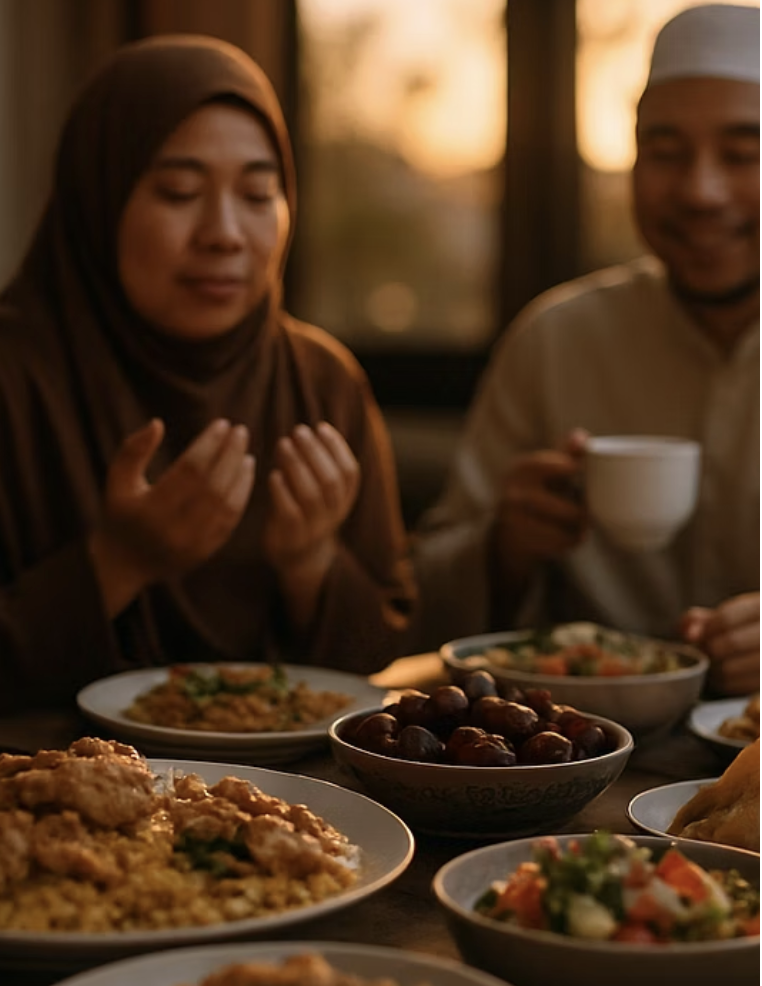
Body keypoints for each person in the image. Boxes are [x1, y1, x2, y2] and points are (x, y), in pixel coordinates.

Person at [0, 35, 416, 711]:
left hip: (296, 805)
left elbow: (377, 665)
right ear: (97, 201)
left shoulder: (320, 381)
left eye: (258, 193)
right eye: (179, 191)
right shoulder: (17, 374)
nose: (224, 232)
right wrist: (117, 562)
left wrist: (314, 567)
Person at [410, 4, 759, 697]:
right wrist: (504, 550)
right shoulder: (557, 339)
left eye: (743, 153)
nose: (700, 190)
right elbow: (420, 595)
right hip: (578, 759)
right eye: (664, 152)